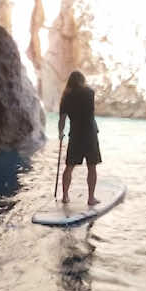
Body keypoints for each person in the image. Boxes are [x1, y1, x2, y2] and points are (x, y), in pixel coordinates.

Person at [58, 70, 101, 205]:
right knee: (92, 166)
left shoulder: (66, 97)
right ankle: (91, 198)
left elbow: (62, 119)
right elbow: (91, 112)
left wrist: (60, 133)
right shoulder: (89, 93)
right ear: (82, 81)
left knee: (69, 166)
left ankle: (65, 196)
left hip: (75, 135)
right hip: (89, 134)